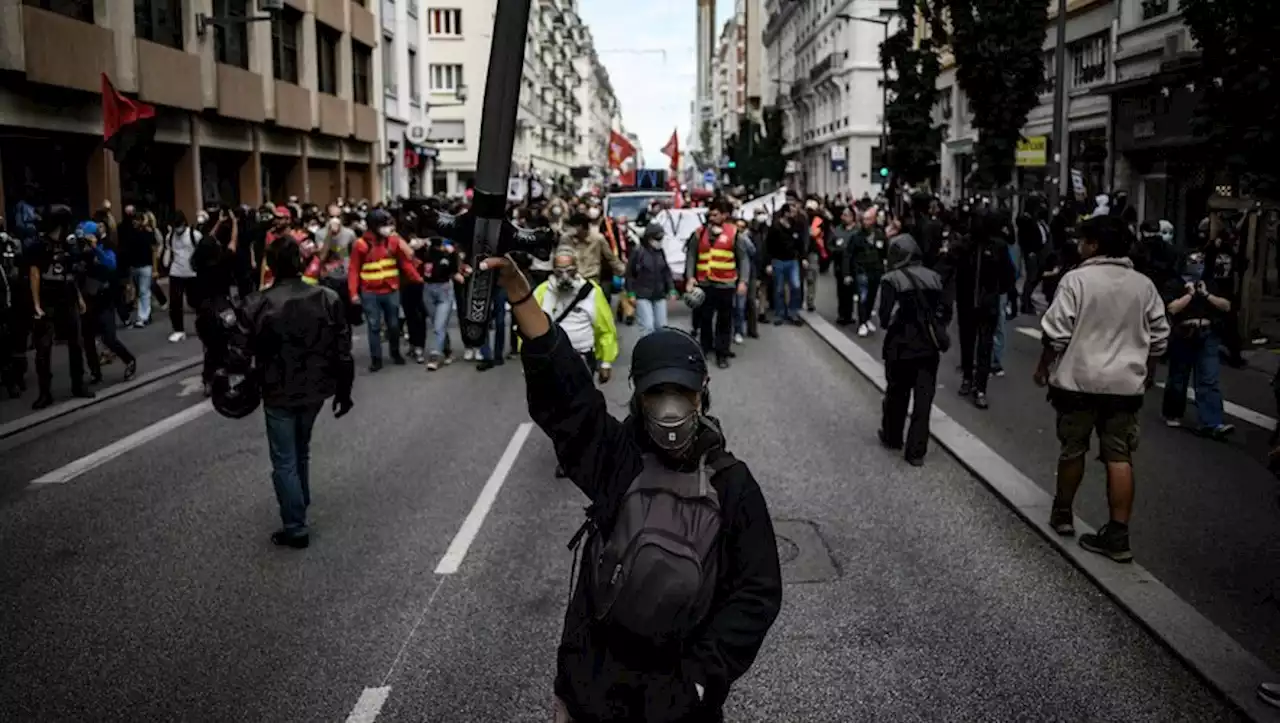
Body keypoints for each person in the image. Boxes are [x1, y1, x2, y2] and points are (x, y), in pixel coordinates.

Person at [476, 251, 782, 723]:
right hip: (595, 685)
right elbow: (565, 392)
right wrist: (519, 292)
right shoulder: (615, 458)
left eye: (681, 392)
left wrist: (700, 679)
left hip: (679, 697)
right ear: (638, 397)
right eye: (657, 393)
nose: (670, 407)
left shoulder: (731, 482)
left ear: (702, 393)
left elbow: (757, 592)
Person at [1035, 215, 1170, 563]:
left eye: (1083, 240)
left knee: (1073, 449)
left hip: (1078, 383)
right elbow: (1159, 337)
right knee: (1120, 456)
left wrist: (1044, 365)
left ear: (1094, 245)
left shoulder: (1076, 280)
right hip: (1125, 387)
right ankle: (1118, 535)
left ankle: (1063, 514)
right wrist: (1148, 371)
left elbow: (1057, 331)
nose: (1079, 246)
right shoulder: (1143, 285)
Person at [226, 235, 354, 549]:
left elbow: (237, 356)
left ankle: (295, 524)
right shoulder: (326, 298)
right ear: (299, 262)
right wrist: (343, 390)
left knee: (285, 458)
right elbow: (343, 351)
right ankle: (299, 506)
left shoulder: (256, 303)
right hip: (314, 388)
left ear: (270, 264)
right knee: (300, 450)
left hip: (278, 389)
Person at [877, 232, 949, 466]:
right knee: (923, 400)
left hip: (900, 345)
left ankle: (892, 436)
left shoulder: (891, 279)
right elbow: (945, 311)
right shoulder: (935, 278)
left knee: (897, 393)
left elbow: (885, 318)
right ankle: (916, 451)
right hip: (928, 347)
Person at [1161, 251, 1234, 438]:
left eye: (1201, 262)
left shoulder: (1210, 283)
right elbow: (1172, 308)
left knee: (1209, 378)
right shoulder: (1175, 284)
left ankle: (1212, 421)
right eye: (1194, 262)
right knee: (1179, 376)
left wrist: (1206, 294)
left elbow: (1226, 305)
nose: (1197, 266)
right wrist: (1189, 295)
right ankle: (1173, 411)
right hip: (1184, 333)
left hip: (1207, 334)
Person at [29, 206, 92, 409]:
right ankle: (45, 393)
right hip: (48, 301)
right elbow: (34, 274)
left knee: (76, 343)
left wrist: (79, 298)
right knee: (43, 349)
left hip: (67, 298)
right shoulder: (39, 245)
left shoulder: (68, 243)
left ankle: (78, 385)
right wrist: (36, 304)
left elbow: (71, 274)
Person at [347, 209, 423, 371]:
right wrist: (353, 293)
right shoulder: (360, 245)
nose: (388, 228)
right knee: (374, 326)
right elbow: (353, 270)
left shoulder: (393, 241)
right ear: (374, 226)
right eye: (384, 225)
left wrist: (417, 278)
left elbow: (404, 263)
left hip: (391, 290)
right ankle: (376, 359)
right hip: (370, 293)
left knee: (394, 325)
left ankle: (395, 353)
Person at [684, 201, 748, 369]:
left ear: (724, 216)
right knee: (705, 318)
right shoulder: (699, 233)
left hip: (726, 284)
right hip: (705, 283)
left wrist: (743, 281)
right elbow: (691, 256)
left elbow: (743, 258)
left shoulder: (734, 233)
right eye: (710, 214)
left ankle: (722, 352)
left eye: (715, 214)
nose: (711, 218)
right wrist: (690, 277)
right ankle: (705, 348)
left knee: (724, 320)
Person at [626, 224, 677, 337]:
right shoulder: (638, 252)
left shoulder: (660, 252)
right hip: (642, 295)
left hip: (659, 294)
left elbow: (666, 272)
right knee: (647, 327)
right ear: (649, 238)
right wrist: (630, 293)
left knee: (662, 327)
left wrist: (672, 289)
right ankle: (647, 352)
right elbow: (629, 274)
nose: (660, 241)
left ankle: (659, 352)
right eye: (657, 238)